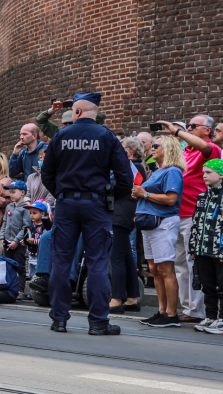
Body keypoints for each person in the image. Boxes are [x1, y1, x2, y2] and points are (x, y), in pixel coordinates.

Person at [41, 92, 131, 335]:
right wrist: (110, 195)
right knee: (98, 263)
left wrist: (62, 192)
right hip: (96, 206)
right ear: (94, 111)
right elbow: (126, 177)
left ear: (77, 112)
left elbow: (46, 174)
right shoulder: (107, 136)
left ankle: (59, 319)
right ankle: (98, 322)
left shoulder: (60, 136)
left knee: (61, 261)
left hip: (66, 206)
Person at [155, 117, 221, 324]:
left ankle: (197, 310)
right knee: (179, 264)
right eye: (189, 126)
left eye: (193, 126)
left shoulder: (210, 148)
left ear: (207, 130)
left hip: (195, 213)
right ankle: (187, 308)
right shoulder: (187, 151)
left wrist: (177, 132)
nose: (189, 128)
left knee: (194, 265)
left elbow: (204, 148)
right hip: (176, 213)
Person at [132, 135, 186, 327]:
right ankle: (161, 311)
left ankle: (171, 315)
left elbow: (171, 199)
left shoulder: (173, 171)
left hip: (163, 223)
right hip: (149, 222)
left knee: (165, 268)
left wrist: (144, 193)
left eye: (156, 146)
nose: (152, 148)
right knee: (155, 269)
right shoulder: (157, 171)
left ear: (168, 149)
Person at [109, 137, 148, 314]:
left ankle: (117, 298)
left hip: (121, 213)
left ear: (131, 151)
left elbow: (122, 187)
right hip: (123, 213)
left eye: (123, 148)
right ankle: (132, 298)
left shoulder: (134, 166)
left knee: (116, 257)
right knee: (124, 256)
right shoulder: (131, 166)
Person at [189, 159, 223, 333]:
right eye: (203, 172)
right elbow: (195, 223)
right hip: (203, 250)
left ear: (221, 175)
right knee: (207, 285)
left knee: (221, 285)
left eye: (209, 172)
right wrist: (194, 248)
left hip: (219, 250)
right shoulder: (203, 196)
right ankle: (211, 316)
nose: (204, 176)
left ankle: (222, 319)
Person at [0, 180, 30, 287]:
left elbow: (26, 226)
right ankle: (8, 287)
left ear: (22, 192)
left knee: (19, 266)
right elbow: (4, 223)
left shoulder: (25, 208)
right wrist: (2, 237)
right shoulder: (9, 206)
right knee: (7, 265)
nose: (10, 194)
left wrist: (16, 241)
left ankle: (20, 289)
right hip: (7, 242)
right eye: (10, 192)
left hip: (18, 243)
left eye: (13, 192)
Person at [25, 147, 54, 216]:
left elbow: (51, 198)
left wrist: (37, 209)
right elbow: (26, 193)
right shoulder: (31, 177)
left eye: (44, 157)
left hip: (45, 214)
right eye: (40, 158)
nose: (42, 159)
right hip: (30, 213)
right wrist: (28, 204)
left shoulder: (55, 178)